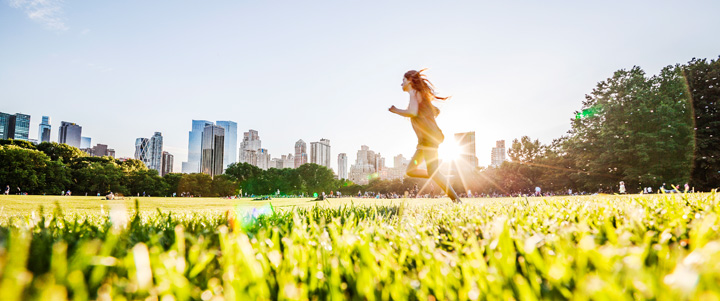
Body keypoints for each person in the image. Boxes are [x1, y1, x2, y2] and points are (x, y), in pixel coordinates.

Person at [389, 69, 461, 203]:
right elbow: (435, 110)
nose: (401, 84)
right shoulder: (419, 94)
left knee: (433, 172)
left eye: (403, 81)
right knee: (411, 170)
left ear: (410, 80)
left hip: (429, 139)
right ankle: (439, 176)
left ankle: (455, 199)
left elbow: (412, 112)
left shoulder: (413, 92)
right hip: (425, 140)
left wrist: (395, 110)